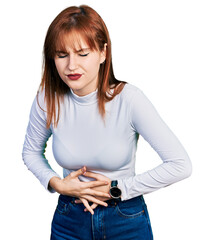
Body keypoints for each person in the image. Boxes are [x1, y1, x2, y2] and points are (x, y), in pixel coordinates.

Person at [22, 5, 192, 240]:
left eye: (82, 54)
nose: (71, 65)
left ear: (102, 53)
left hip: (125, 219)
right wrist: (56, 184)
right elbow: (30, 152)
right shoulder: (47, 98)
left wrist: (118, 189)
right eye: (62, 55)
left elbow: (180, 164)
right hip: (69, 219)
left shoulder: (129, 99)